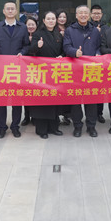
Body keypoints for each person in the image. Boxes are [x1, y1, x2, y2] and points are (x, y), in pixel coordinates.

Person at [0, 1, 31, 138]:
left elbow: (26, 45)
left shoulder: (23, 27)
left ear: (16, 11)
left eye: (12, 8)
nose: (10, 10)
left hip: (17, 69)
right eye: (7, 8)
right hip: (1, 69)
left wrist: (22, 53)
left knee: (17, 100)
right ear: (3, 11)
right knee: (1, 100)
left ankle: (15, 126)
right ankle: (2, 127)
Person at [64, 4, 102, 137]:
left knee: (91, 100)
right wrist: (74, 52)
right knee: (76, 101)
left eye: (86, 13)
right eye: (80, 13)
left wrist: (98, 53)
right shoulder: (70, 30)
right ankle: (77, 126)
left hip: (91, 71)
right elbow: (66, 47)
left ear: (89, 15)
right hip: (75, 70)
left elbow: (99, 46)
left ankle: (91, 126)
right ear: (76, 15)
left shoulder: (95, 30)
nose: (83, 15)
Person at [28, 11, 64, 139]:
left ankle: (54, 127)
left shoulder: (59, 34)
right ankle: (41, 129)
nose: (51, 21)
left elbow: (63, 50)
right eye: (48, 19)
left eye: (53, 18)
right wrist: (37, 46)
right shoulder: (38, 34)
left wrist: (62, 56)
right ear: (43, 20)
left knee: (54, 100)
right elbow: (30, 51)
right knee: (42, 102)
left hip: (55, 73)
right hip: (41, 72)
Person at [89, 4, 108, 124]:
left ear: (101, 15)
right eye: (94, 13)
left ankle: (99, 113)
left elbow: (106, 43)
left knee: (100, 90)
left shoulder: (106, 27)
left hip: (102, 62)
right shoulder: (88, 26)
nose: (96, 15)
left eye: (98, 13)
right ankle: (91, 114)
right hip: (89, 62)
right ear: (91, 14)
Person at [21, 16, 39, 126]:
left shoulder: (39, 36)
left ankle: (35, 116)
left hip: (38, 69)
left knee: (36, 94)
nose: (31, 27)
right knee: (26, 94)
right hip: (25, 68)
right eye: (29, 25)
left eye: (33, 24)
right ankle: (26, 116)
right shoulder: (22, 36)